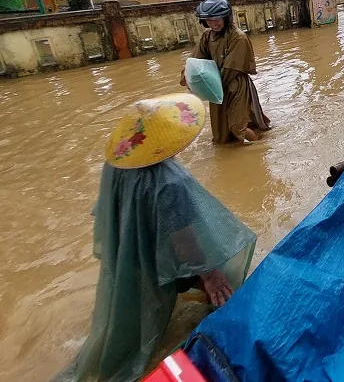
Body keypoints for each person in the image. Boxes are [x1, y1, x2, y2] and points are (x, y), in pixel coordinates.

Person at [71, 94, 257, 382]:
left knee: (126, 319)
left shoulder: (118, 164)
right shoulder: (172, 183)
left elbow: (105, 210)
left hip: (127, 249)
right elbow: (184, 239)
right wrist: (211, 275)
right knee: (149, 331)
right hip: (155, 252)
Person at [181, 0, 271, 143]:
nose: (213, 24)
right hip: (214, 85)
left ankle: (260, 147)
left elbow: (231, 68)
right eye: (209, 20)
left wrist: (207, 88)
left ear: (226, 17)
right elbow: (195, 62)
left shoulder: (239, 38)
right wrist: (189, 79)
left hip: (235, 85)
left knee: (237, 127)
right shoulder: (207, 36)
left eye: (217, 19)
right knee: (221, 132)